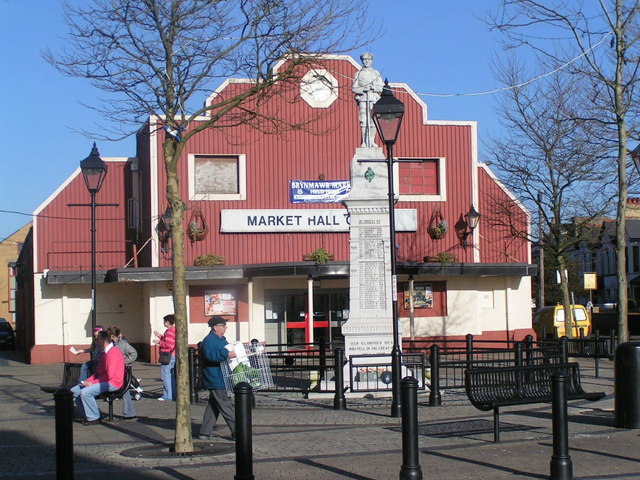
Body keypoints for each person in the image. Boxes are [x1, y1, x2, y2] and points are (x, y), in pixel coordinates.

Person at [70, 330, 125, 425]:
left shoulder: (114, 352)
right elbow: (97, 373)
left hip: (113, 383)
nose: (96, 341)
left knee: (85, 392)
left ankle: (94, 417)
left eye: (97, 339)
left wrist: (92, 383)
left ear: (103, 340)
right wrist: (87, 382)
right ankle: (91, 414)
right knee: (75, 390)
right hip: (104, 380)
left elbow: (110, 375)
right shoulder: (104, 354)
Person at [198, 316, 237, 440]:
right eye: (223, 325)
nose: (226, 327)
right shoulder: (210, 340)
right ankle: (238, 431)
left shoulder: (220, 339)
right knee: (225, 404)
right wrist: (227, 354)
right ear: (215, 328)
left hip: (220, 376)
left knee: (214, 405)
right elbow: (211, 355)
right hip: (216, 378)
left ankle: (205, 431)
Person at [351, 52, 384, 148]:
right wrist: (363, 89)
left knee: (373, 120)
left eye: (368, 59)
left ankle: (371, 141)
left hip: (373, 98)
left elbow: (381, 88)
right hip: (363, 98)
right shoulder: (358, 74)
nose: (366, 61)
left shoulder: (376, 73)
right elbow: (354, 88)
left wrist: (373, 87)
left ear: (371, 61)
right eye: (364, 59)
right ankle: (364, 142)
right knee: (363, 121)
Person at [108, 325, 137, 419]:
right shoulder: (109, 344)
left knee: (125, 391)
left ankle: (129, 413)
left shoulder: (123, 344)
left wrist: (124, 361)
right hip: (112, 370)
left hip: (122, 370)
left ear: (113, 336)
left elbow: (134, 353)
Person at [153, 314, 176, 401]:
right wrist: (159, 336)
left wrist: (159, 342)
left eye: (164, 321)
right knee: (171, 376)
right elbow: (167, 340)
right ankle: (172, 394)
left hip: (168, 356)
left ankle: (167, 396)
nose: (164, 323)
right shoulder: (173, 331)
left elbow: (168, 344)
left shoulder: (169, 331)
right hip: (173, 355)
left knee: (166, 376)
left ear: (168, 322)